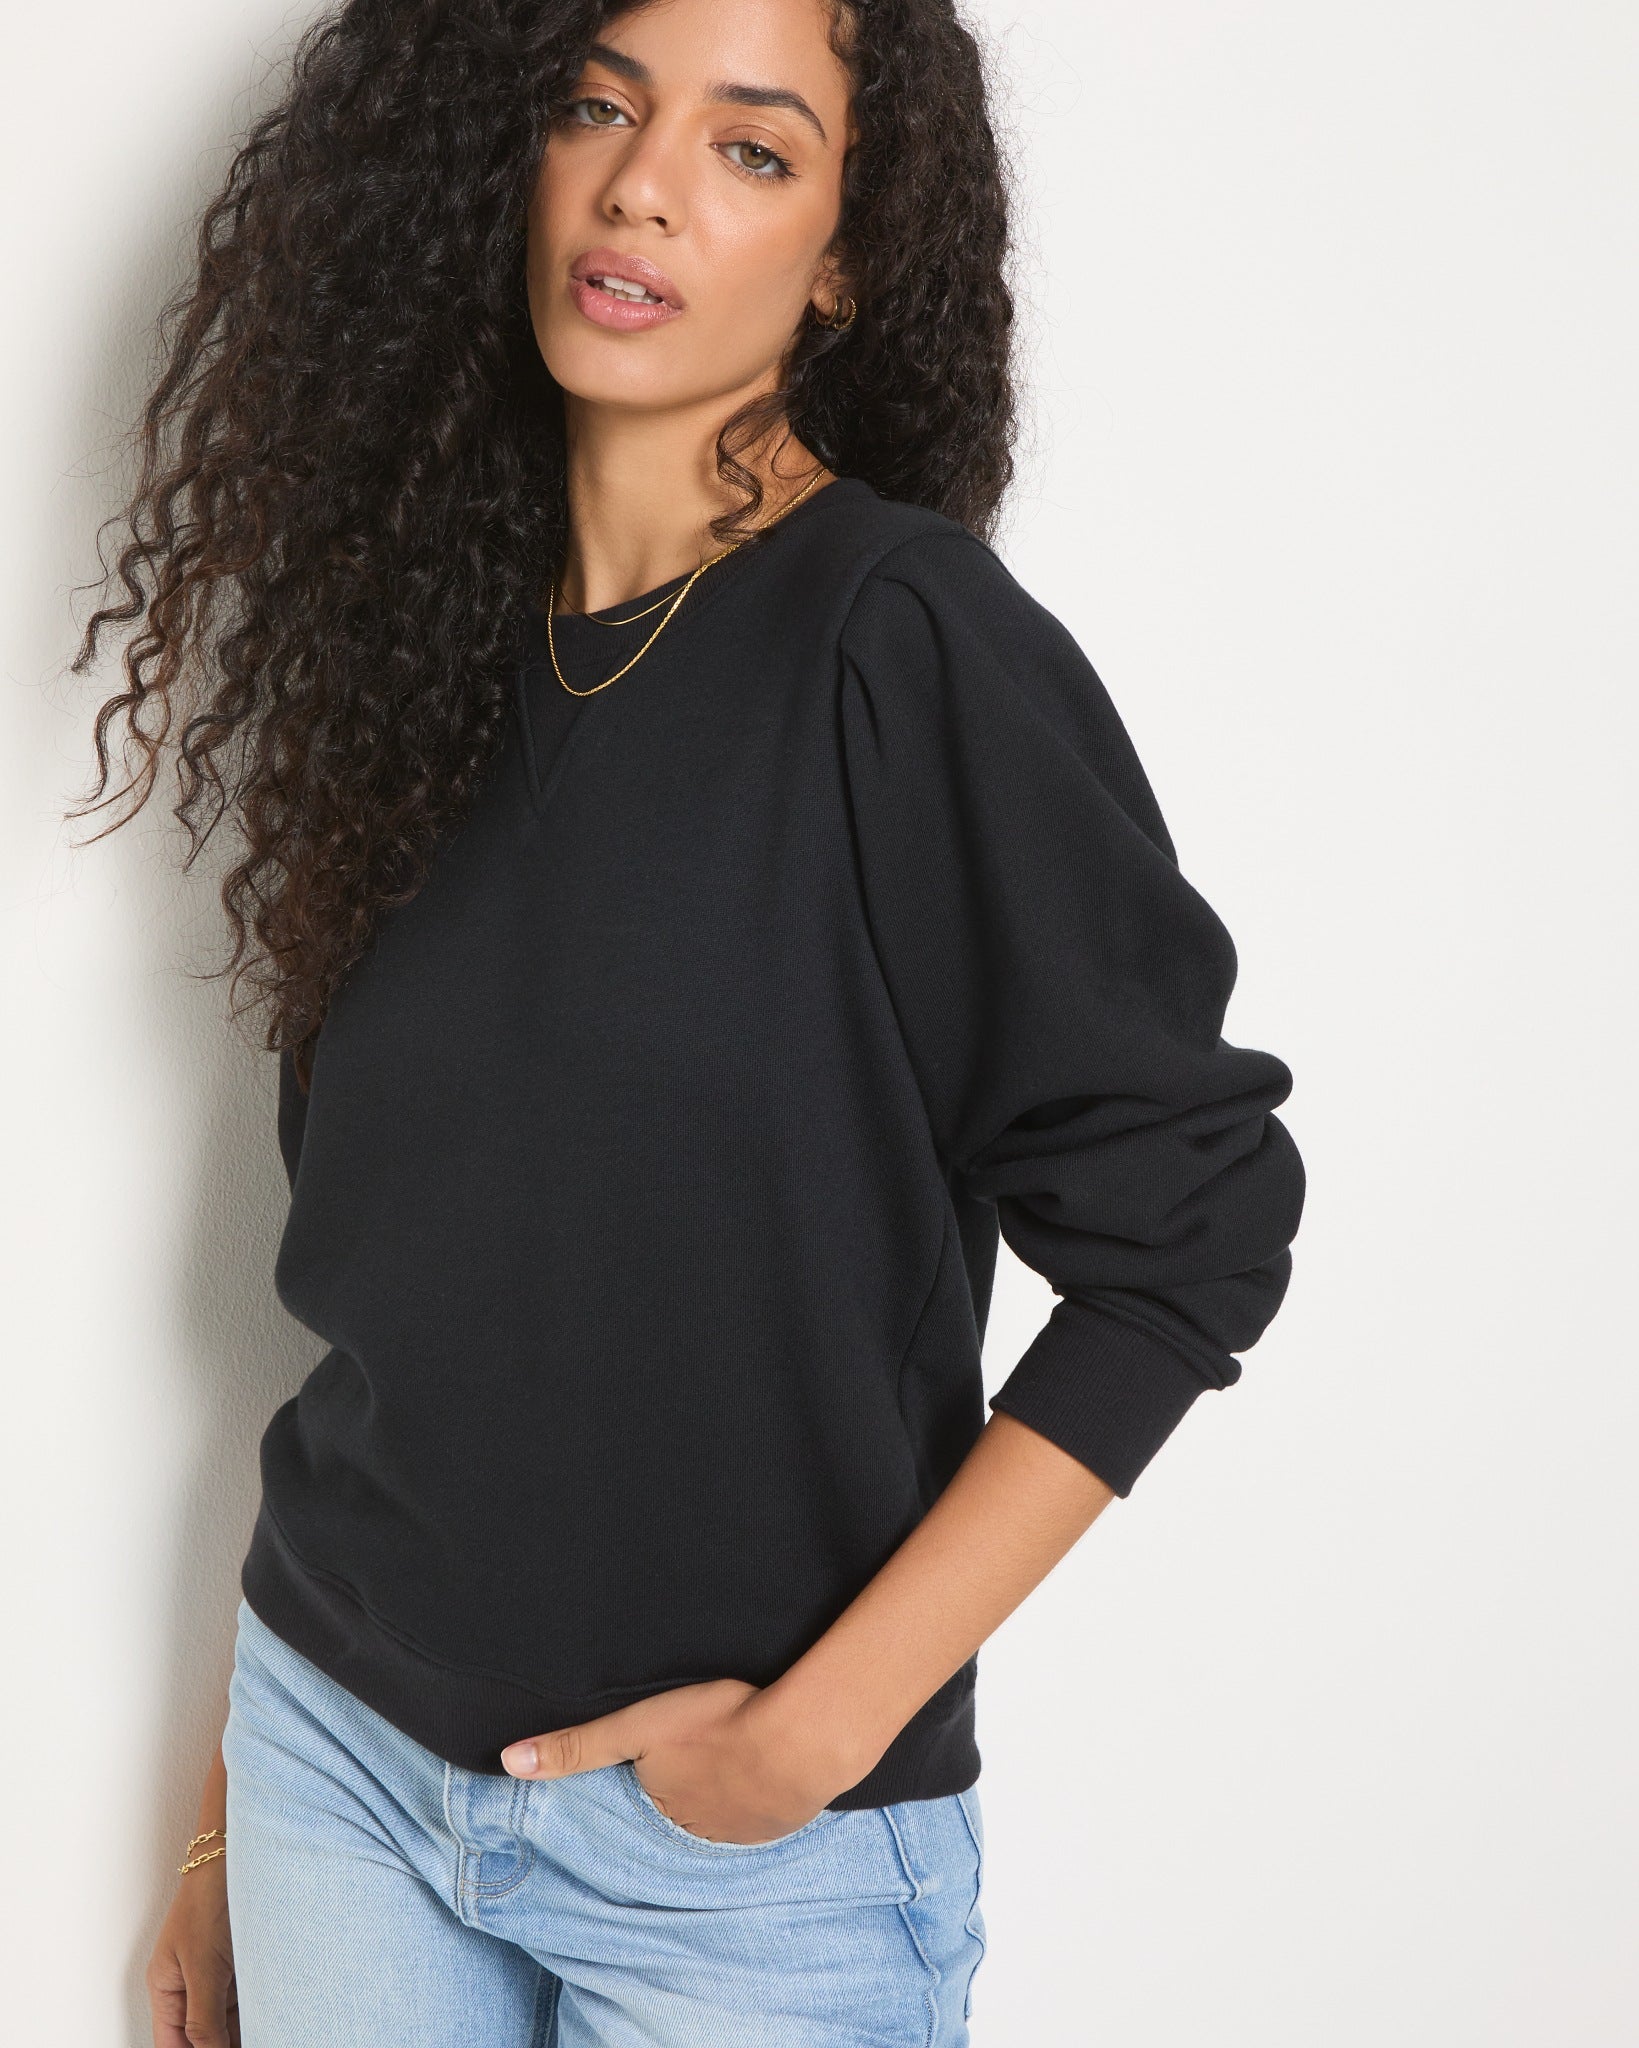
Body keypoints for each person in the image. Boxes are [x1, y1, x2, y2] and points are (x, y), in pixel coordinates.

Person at [70, 0, 1307, 2041]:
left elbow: (1192, 1237)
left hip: (737, 1881)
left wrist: (813, 1737)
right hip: (337, 1770)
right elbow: (397, 1303)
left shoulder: (901, 642)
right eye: (597, 105)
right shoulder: (411, 656)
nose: (643, 185)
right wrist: (224, 1811)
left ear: (844, 259)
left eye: (752, 147)